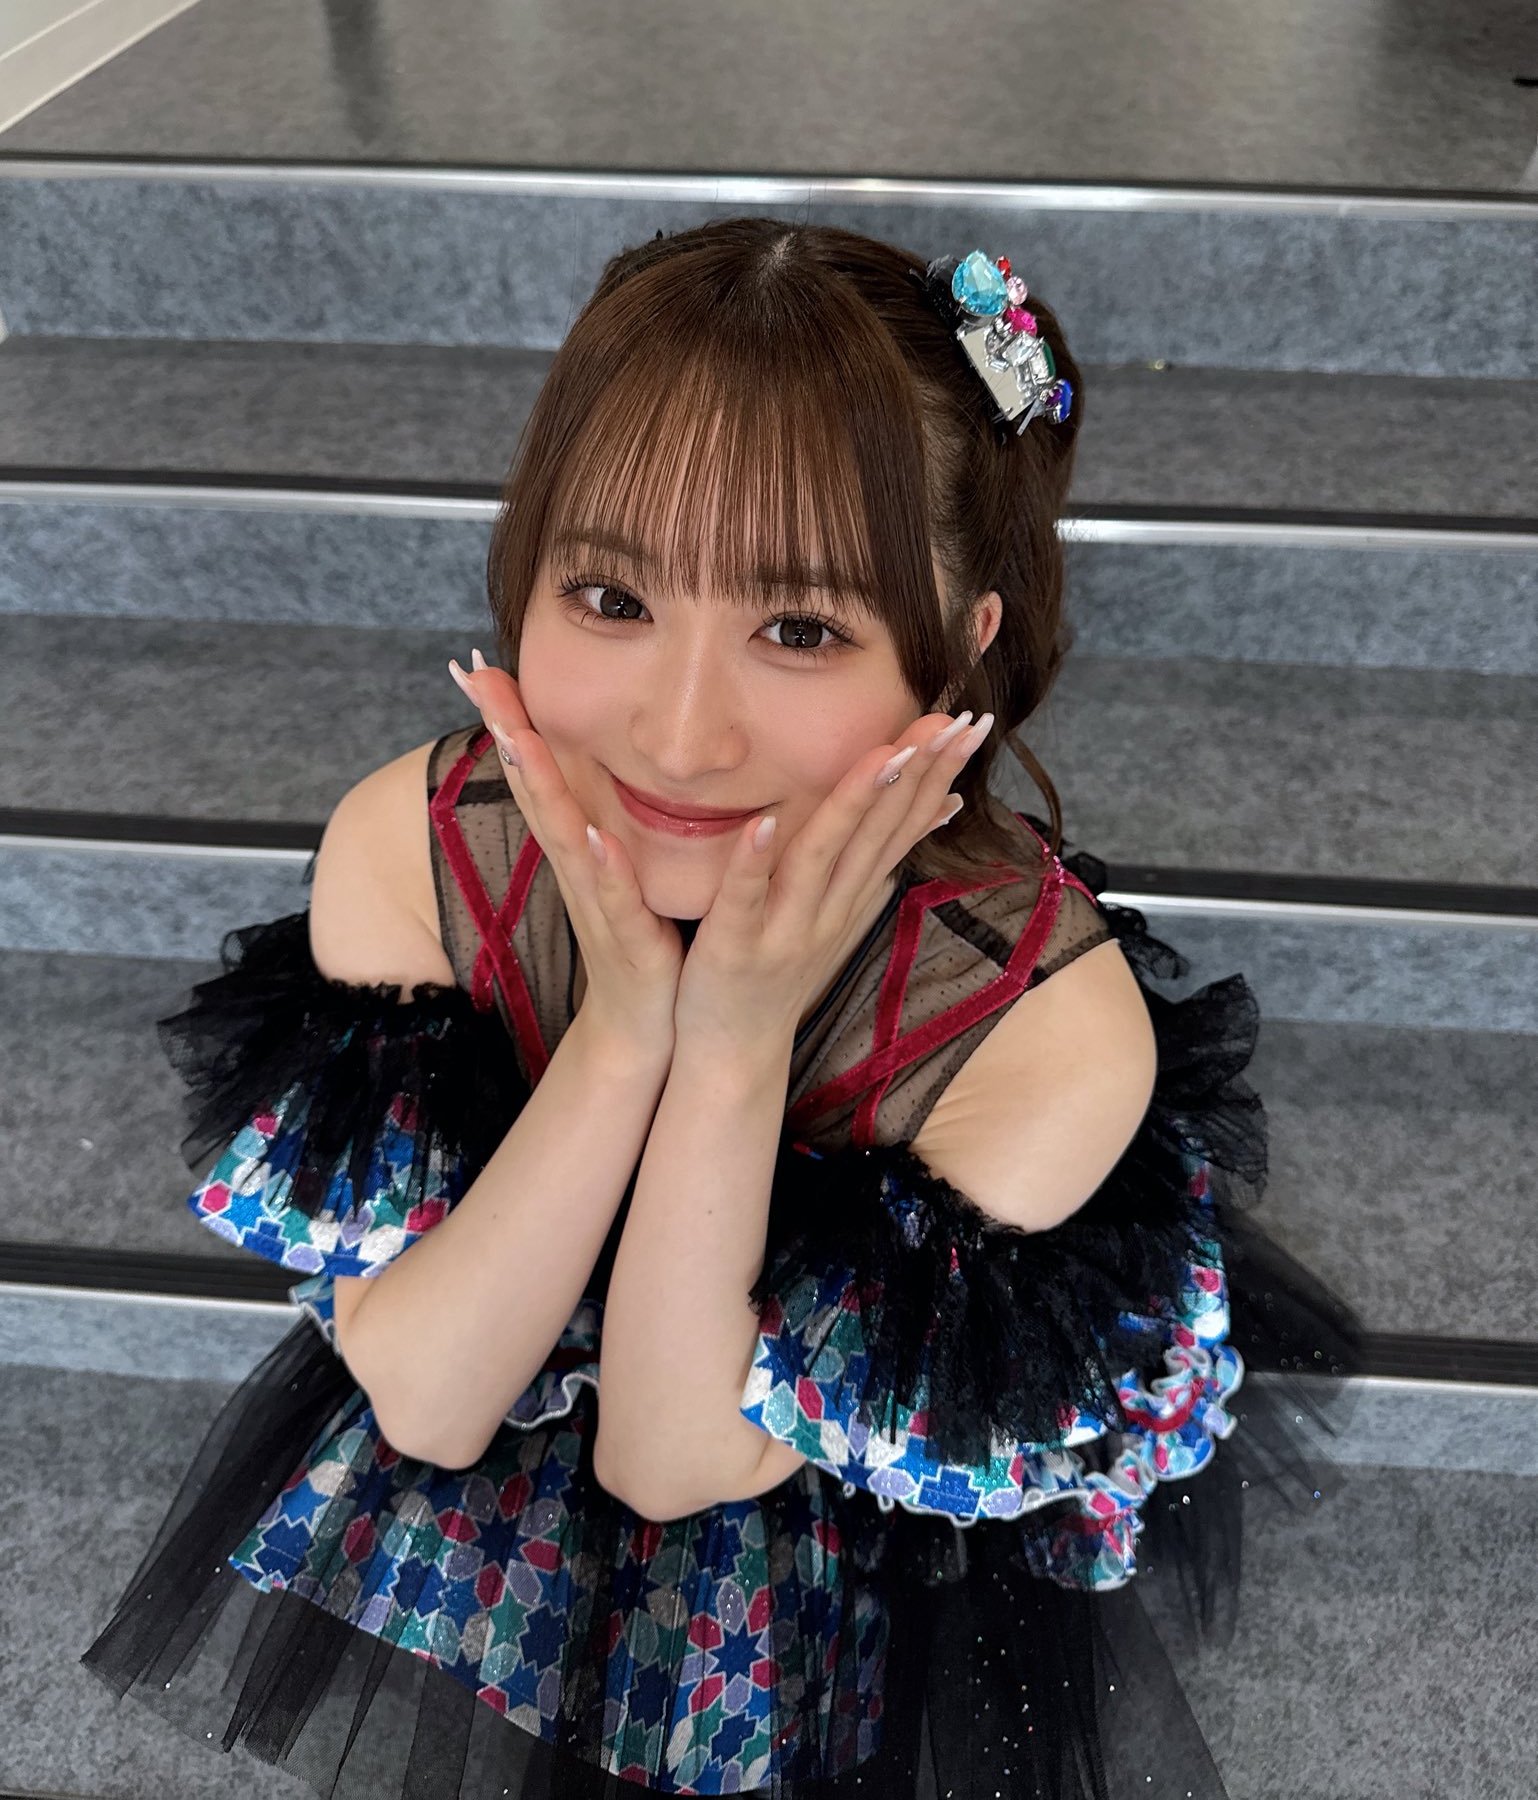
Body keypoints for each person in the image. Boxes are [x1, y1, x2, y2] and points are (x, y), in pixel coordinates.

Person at [80, 217, 1366, 1800]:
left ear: (958, 651)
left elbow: (670, 1460)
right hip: (507, 1362)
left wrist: (735, 1041)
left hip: (803, 1507)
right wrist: (624, 1025)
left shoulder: (1038, 1031)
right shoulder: (415, 852)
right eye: (609, 598)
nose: (680, 738)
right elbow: (424, 1397)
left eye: (800, 628)